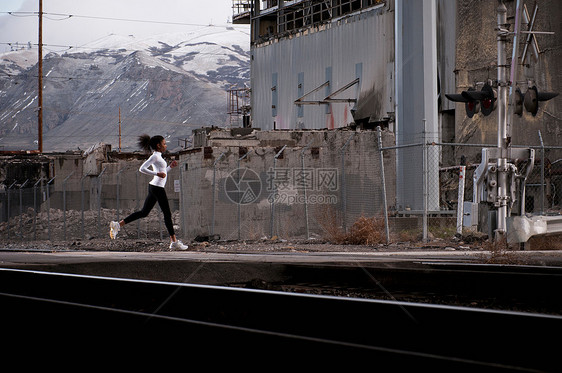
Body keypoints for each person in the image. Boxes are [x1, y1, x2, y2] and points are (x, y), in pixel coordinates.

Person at [109, 134, 188, 250]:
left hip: (154, 186)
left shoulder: (159, 157)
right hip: (157, 188)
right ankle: (174, 242)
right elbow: (142, 169)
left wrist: (170, 167)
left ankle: (117, 225)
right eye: (164, 143)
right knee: (167, 214)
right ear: (158, 145)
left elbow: (163, 172)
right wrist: (156, 174)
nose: (166, 145)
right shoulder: (155, 157)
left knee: (144, 212)